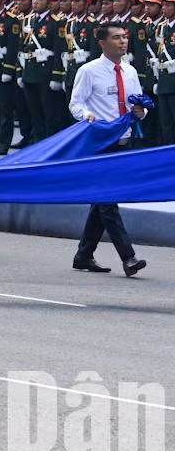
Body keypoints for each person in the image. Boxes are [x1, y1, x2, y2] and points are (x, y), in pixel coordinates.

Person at [66, 23, 150, 276]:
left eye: (124, 37)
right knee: (108, 201)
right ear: (102, 43)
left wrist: (141, 112)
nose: (123, 42)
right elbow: (76, 104)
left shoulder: (130, 71)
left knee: (102, 201)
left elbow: (139, 105)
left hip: (124, 141)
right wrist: (88, 116)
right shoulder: (89, 71)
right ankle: (129, 257)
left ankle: (83, 255)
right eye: (116, 38)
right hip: (100, 143)